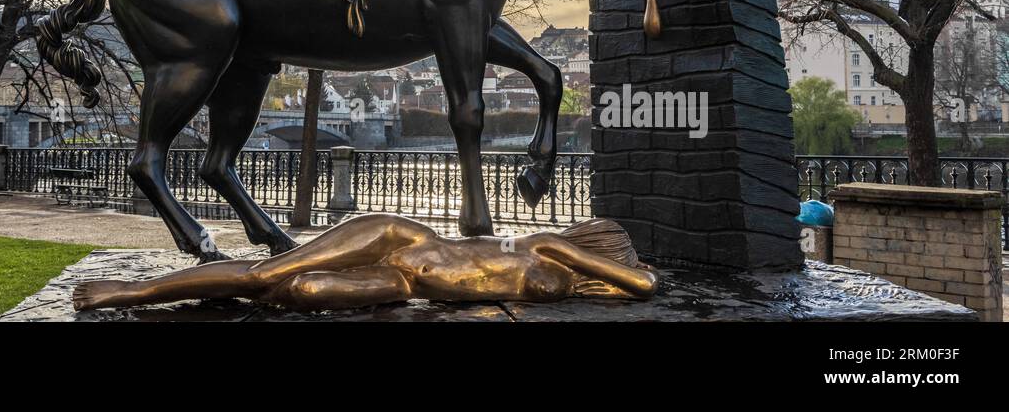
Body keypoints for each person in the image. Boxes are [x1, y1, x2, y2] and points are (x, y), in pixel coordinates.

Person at [73, 213, 658, 312]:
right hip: (397, 240)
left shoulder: (569, 281)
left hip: (407, 285)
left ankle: (221, 294)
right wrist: (625, 268)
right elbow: (642, 283)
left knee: (298, 295)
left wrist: (592, 284)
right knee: (263, 277)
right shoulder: (549, 245)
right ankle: (131, 291)